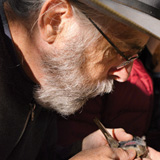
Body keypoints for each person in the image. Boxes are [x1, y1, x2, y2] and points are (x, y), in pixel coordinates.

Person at [0, 0, 159, 159]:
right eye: (120, 52)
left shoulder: (48, 73)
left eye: (134, 57)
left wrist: (79, 150)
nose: (124, 75)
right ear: (55, 21)